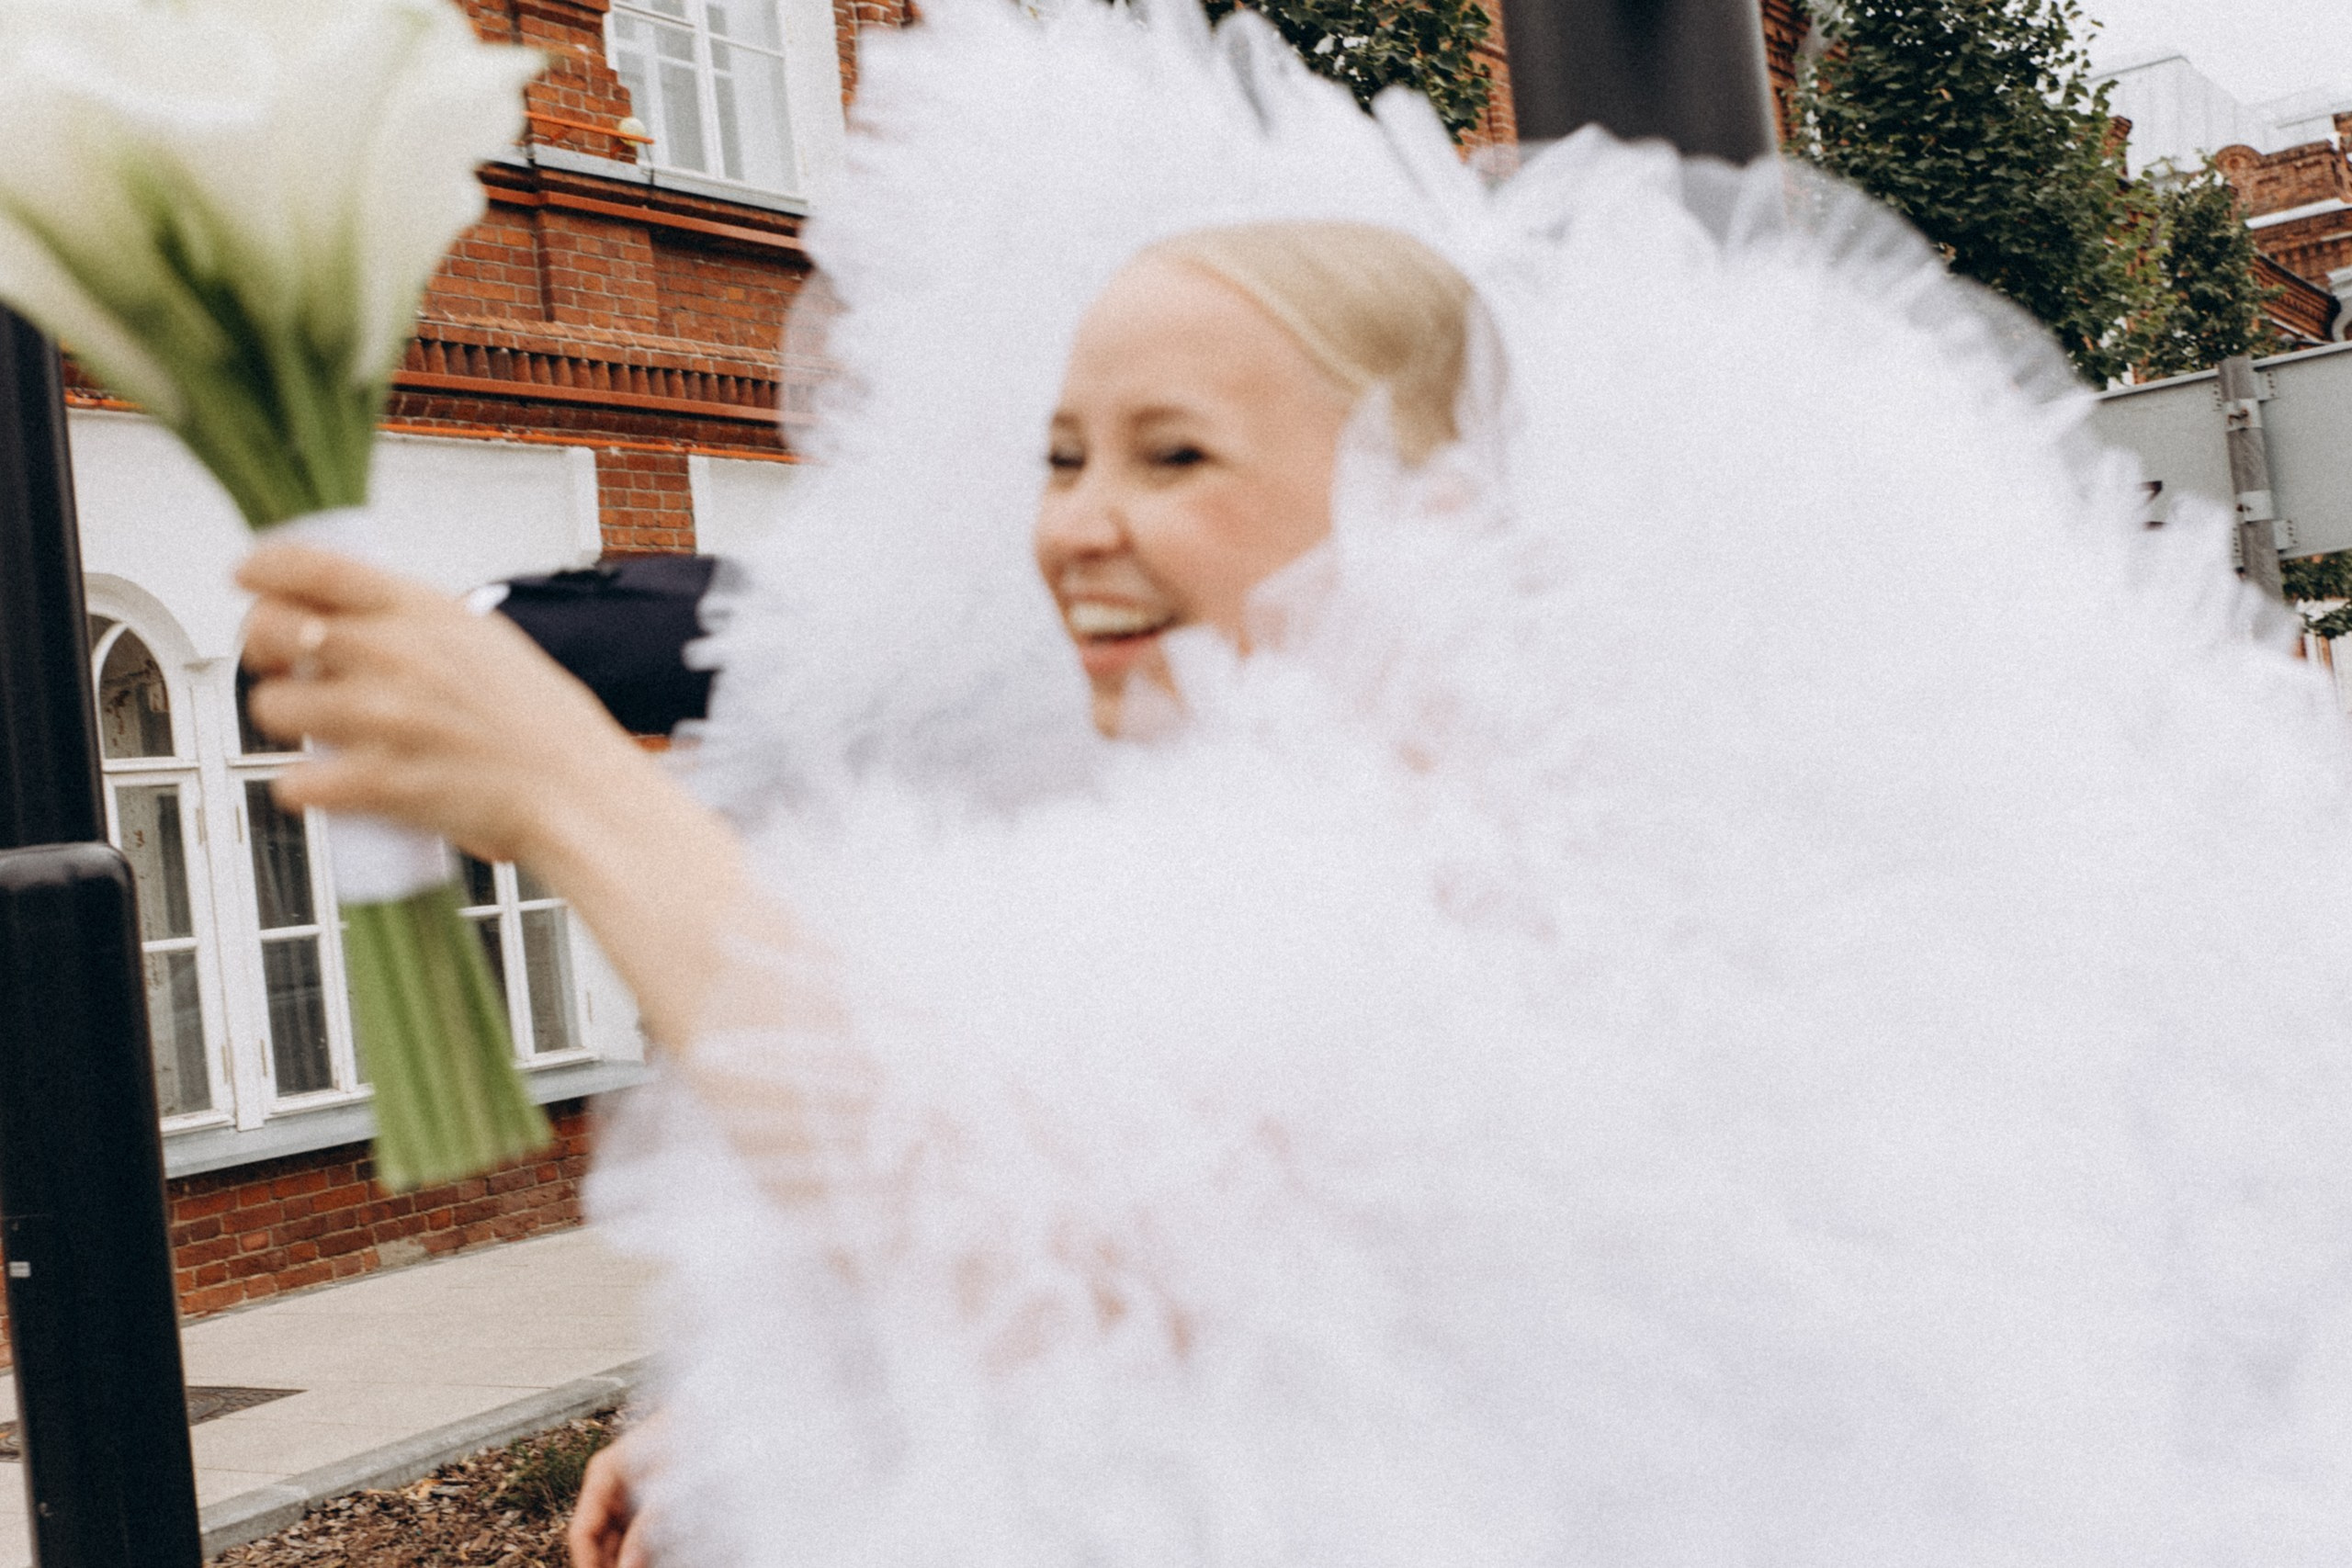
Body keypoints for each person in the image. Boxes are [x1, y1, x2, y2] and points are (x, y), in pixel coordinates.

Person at [239, 2, 2352, 1562]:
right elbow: (1174, 1299)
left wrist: (580, 797)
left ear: (1424, 506)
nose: (1075, 520)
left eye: (1174, 456)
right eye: (1059, 455)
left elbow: (1037, 1198)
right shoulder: (1197, 831)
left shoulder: (1509, 857)